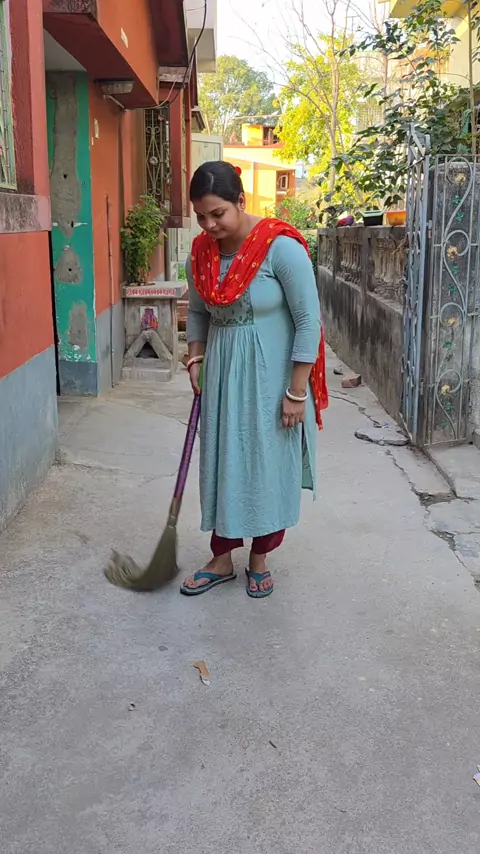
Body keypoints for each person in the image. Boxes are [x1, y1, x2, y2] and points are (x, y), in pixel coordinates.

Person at [181, 161, 327, 599]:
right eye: (201, 216)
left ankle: (260, 558)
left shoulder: (279, 248)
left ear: (241, 202)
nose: (209, 225)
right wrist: (195, 359)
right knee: (223, 461)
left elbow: (308, 321)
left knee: (266, 466)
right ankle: (222, 558)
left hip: (273, 381)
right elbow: (197, 312)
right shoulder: (201, 253)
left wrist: (296, 392)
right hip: (222, 378)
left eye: (218, 214)